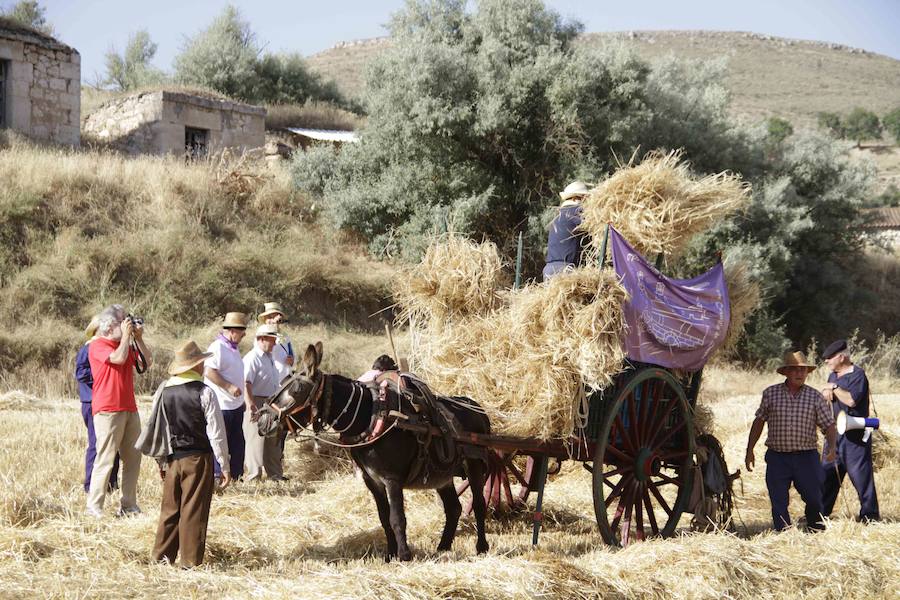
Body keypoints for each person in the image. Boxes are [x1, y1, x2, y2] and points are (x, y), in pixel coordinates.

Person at [148, 341, 231, 568]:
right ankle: (190, 563)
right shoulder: (205, 392)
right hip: (198, 458)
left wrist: (161, 461)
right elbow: (217, 434)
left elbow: (157, 428)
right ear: (195, 366)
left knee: (169, 510)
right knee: (194, 511)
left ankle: (160, 560)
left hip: (173, 458)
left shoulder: (163, 391)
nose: (204, 366)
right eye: (202, 363)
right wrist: (224, 465)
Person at [745, 351, 836, 531]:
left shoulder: (815, 397)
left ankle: (814, 527)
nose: (799, 374)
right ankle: (784, 532)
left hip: (806, 457)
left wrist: (832, 447)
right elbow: (759, 421)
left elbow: (829, 425)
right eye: (794, 369)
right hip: (777, 457)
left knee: (814, 496)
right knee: (778, 499)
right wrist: (750, 450)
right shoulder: (771, 394)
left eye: (803, 370)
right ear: (785, 372)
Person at [85, 304, 152, 518]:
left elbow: (147, 362)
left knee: (133, 458)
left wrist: (138, 338)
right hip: (107, 410)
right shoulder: (97, 345)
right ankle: (94, 506)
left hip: (129, 407)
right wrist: (125, 338)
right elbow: (119, 358)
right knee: (105, 458)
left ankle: (129, 505)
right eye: (121, 322)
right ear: (108, 327)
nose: (126, 326)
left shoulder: (124, 343)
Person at [820, 339, 880, 522]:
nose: (826, 361)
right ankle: (820, 515)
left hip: (855, 438)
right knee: (827, 475)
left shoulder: (858, 375)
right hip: (834, 437)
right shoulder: (833, 375)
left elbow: (851, 400)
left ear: (841, 357)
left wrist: (834, 388)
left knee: (861, 477)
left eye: (830, 358)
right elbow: (830, 394)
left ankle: (870, 516)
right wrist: (826, 391)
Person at [74, 315, 119, 493]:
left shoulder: (107, 348)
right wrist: (103, 377)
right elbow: (81, 374)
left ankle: (110, 485)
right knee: (97, 444)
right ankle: (91, 486)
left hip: (106, 402)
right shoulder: (89, 348)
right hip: (93, 401)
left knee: (112, 445)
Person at [203, 312, 249, 483]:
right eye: (241, 330)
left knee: (238, 445)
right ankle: (217, 477)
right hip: (221, 405)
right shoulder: (217, 347)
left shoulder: (232, 348)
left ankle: (236, 477)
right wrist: (229, 387)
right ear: (231, 330)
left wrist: (240, 399)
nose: (244, 334)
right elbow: (208, 371)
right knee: (220, 443)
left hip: (235, 405)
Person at [243, 324, 288, 481]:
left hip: (270, 402)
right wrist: (250, 405)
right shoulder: (252, 358)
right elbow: (246, 383)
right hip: (257, 401)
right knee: (255, 441)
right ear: (261, 339)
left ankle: (275, 475)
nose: (275, 343)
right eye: (272, 339)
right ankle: (253, 477)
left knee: (272, 440)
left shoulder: (269, 358)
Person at [542, 181, 590, 281]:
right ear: (574, 198)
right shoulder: (575, 211)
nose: (586, 202)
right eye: (583, 198)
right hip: (565, 270)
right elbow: (592, 225)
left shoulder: (558, 216)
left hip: (549, 269)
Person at [258, 302, 294, 382]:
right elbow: (262, 351)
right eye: (270, 317)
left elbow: (291, 352)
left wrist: (292, 360)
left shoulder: (284, 335)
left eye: (274, 317)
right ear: (265, 319)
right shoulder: (261, 332)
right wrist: (273, 324)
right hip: (269, 378)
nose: (272, 320)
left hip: (285, 377)